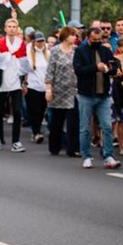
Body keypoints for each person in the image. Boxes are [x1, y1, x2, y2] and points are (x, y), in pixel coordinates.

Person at [73, 26, 122, 169]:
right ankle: (86, 156)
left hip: (103, 95)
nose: (97, 42)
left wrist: (115, 70)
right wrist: (95, 67)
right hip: (86, 94)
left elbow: (113, 64)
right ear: (88, 38)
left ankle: (108, 156)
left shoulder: (105, 50)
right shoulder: (80, 51)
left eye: (99, 39)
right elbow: (78, 70)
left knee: (107, 126)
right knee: (85, 128)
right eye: (94, 40)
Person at [0, 17, 26, 152]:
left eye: (14, 27)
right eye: (9, 26)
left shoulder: (22, 44)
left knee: (17, 111)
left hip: (16, 83)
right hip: (0, 83)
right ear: (5, 28)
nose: (12, 29)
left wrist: (24, 82)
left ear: (17, 29)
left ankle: (16, 141)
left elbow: (25, 64)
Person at [45, 27, 80, 157]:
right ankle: (54, 147)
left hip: (74, 89)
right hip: (58, 89)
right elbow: (50, 71)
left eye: (75, 35)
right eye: (72, 35)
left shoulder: (77, 51)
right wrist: (48, 89)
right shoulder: (55, 51)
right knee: (57, 121)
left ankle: (73, 148)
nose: (75, 37)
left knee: (73, 121)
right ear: (65, 37)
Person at [25, 32, 49, 144]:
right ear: (34, 41)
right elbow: (24, 68)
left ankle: (37, 130)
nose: (40, 43)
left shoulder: (47, 52)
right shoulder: (29, 51)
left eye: (42, 40)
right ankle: (36, 132)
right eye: (38, 41)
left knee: (41, 111)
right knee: (34, 110)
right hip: (32, 86)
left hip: (44, 86)